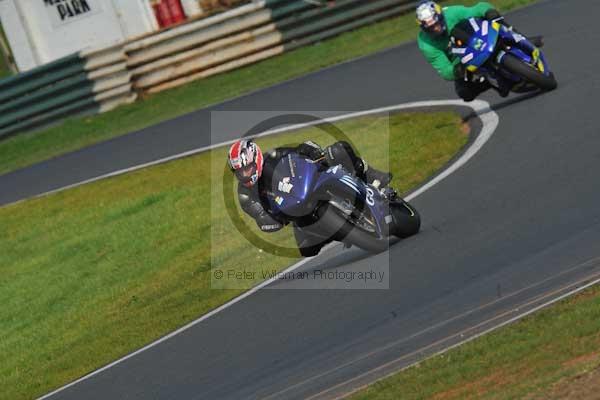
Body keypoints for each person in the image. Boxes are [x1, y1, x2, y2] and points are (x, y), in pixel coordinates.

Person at [227, 139, 391, 256]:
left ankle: (370, 176)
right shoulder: (245, 194)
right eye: (240, 172)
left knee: (338, 149)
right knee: (307, 249)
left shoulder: (274, 157)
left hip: (312, 184)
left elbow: (302, 148)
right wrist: (270, 221)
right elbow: (261, 218)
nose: (245, 174)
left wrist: (314, 153)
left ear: (256, 159)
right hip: (295, 213)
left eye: (247, 168)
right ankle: (339, 232)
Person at [416, 1, 542, 101]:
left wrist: (489, 12)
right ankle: (488, 82)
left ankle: (519, 38)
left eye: (437, 24)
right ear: (423, 27)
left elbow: (479, 7)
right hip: (461, 59)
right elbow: (444, 69)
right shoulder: (425, 43)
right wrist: (456, 70)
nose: (436, 29)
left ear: (440, 16)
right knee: (465, 93)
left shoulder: (452, 13)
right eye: (431, 28)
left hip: (480, 38)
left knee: (497, 19)